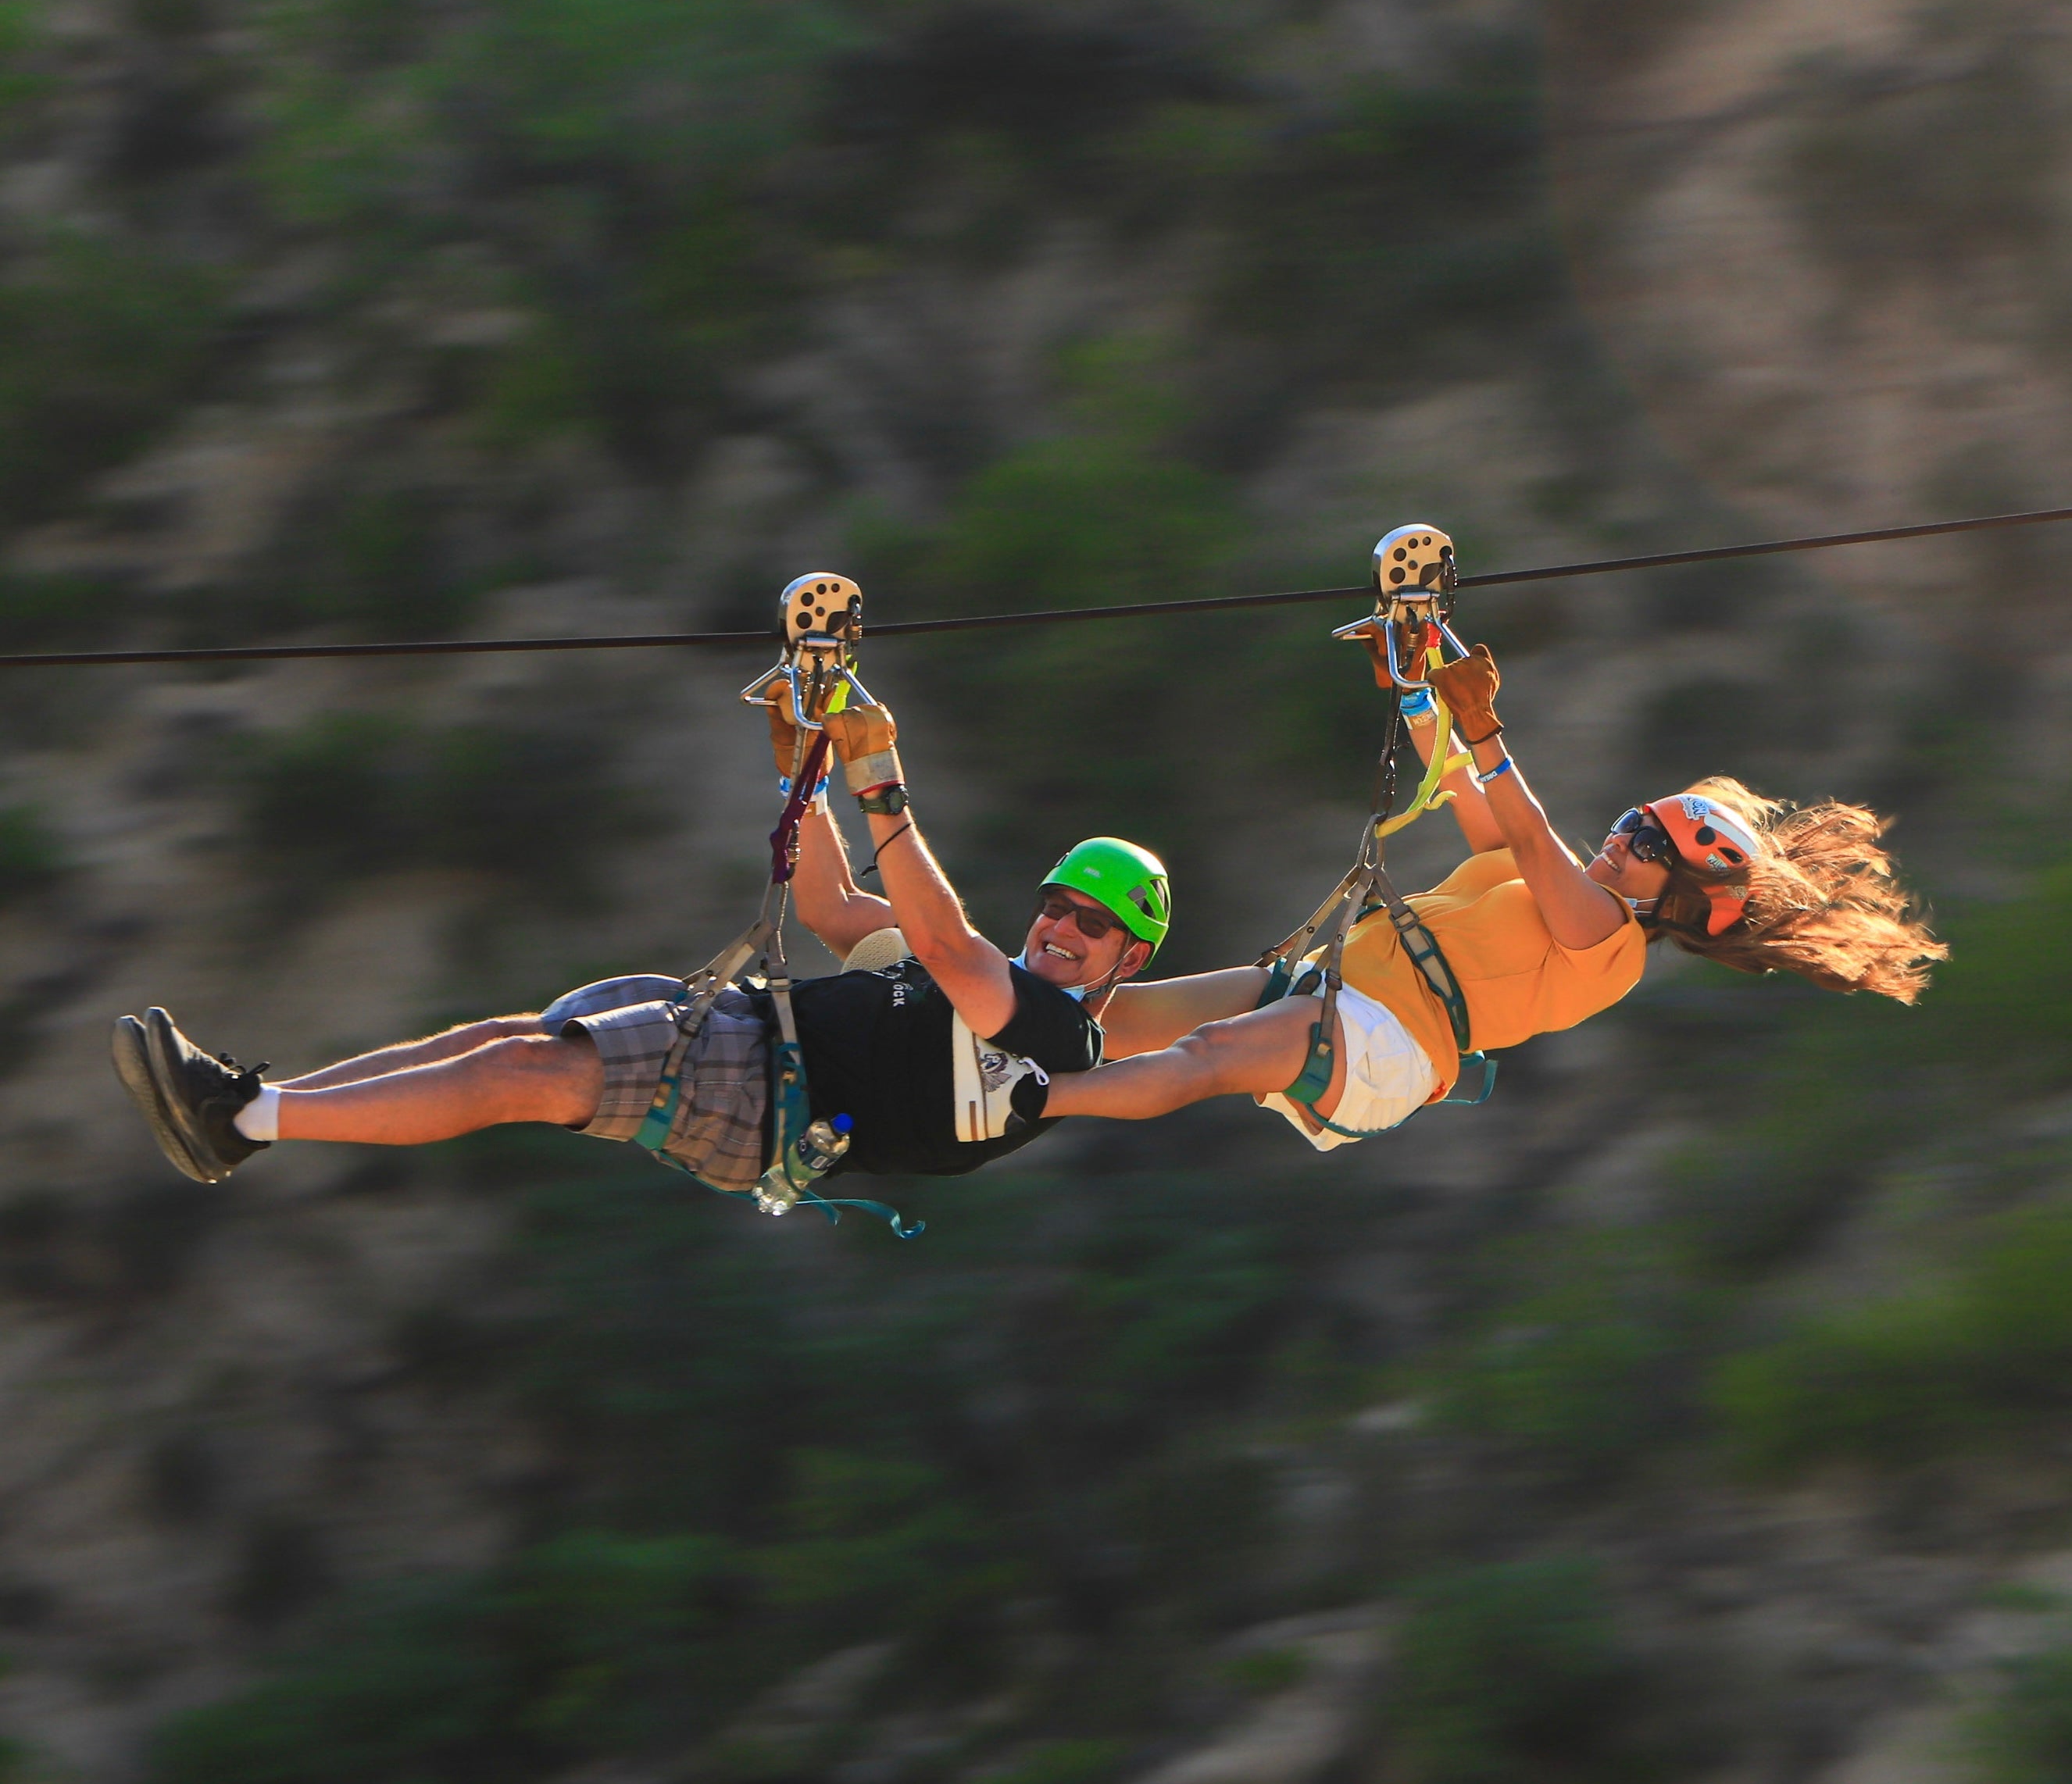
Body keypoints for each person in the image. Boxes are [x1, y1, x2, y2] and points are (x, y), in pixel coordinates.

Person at [111, 689, 1258, 1190]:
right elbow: (827, 906)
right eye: (1057, 905)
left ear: (1127, 962)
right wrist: (797, 752)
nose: (1062, 927)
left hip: (764, 1098)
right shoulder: (967, 980)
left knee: (523, 1075)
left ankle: (245, 1118)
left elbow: (949, 943)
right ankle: (252, 1111)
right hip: (744, 1039)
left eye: (1092, 923)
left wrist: (877, 773)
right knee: (506, 1036)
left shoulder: (1057, 1037)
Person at [1039, 640, 1947, 1140]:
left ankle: (1027, 1098)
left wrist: (1486, 727)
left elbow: (1528, 830)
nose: (1621, 841)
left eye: (1645, 846)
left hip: (1386, 1042)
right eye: (1631, 821)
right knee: (1120, 1015)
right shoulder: (1537, 876)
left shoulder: (1609, 943)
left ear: (1672, 899)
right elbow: (1457, 790)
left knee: (1205, 1054)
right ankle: (968, 1024)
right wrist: (1416, 684)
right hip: (1338, 992)